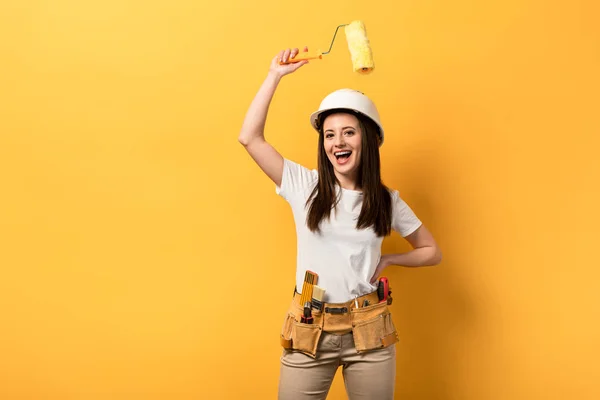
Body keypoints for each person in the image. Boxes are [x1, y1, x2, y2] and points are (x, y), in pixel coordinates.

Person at [238, 47, 442, 400]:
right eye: (329, 135)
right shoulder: (305, 186)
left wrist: (391, 259)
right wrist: (274, 75)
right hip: (308, 325)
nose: (338, 142)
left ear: (367, 139)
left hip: (369, 328)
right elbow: (250, 138)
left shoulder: (385, 200)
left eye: (348, 132)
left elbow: (431, 251)